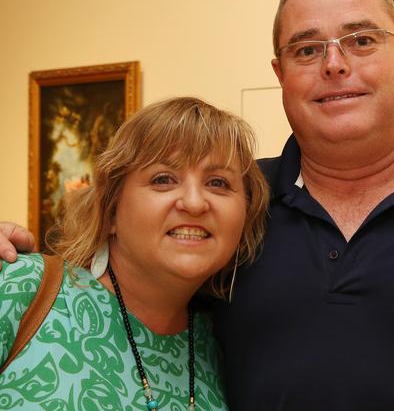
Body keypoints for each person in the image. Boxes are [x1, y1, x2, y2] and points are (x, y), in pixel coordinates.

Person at [0, 0, 394, 411]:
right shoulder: (236, 206)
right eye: (306, 49)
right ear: (280, 73)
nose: (335, 63)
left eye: (362, 40)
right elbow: (128, 269)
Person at [0, 97, 269, 410]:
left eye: (218, 183)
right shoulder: (20, 287)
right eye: (163, 179)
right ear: (111, 209)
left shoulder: (223, 345)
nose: (195, 203)